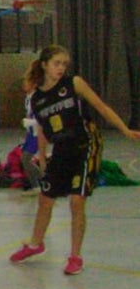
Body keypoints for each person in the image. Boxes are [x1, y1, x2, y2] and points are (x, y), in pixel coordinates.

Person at [8, 44, 140, 275]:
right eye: (57, 63)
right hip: (61, 149)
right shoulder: (37, 99)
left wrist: (125, 129)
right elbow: (42, 130)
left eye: (64, 64)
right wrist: (42, 156)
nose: (61, 68)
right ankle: (35, 244)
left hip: (87, 144)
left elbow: (101, 106)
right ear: (44, 64)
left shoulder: (73, 84)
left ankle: (75, 256)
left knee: (76, 201)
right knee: (45, 199)